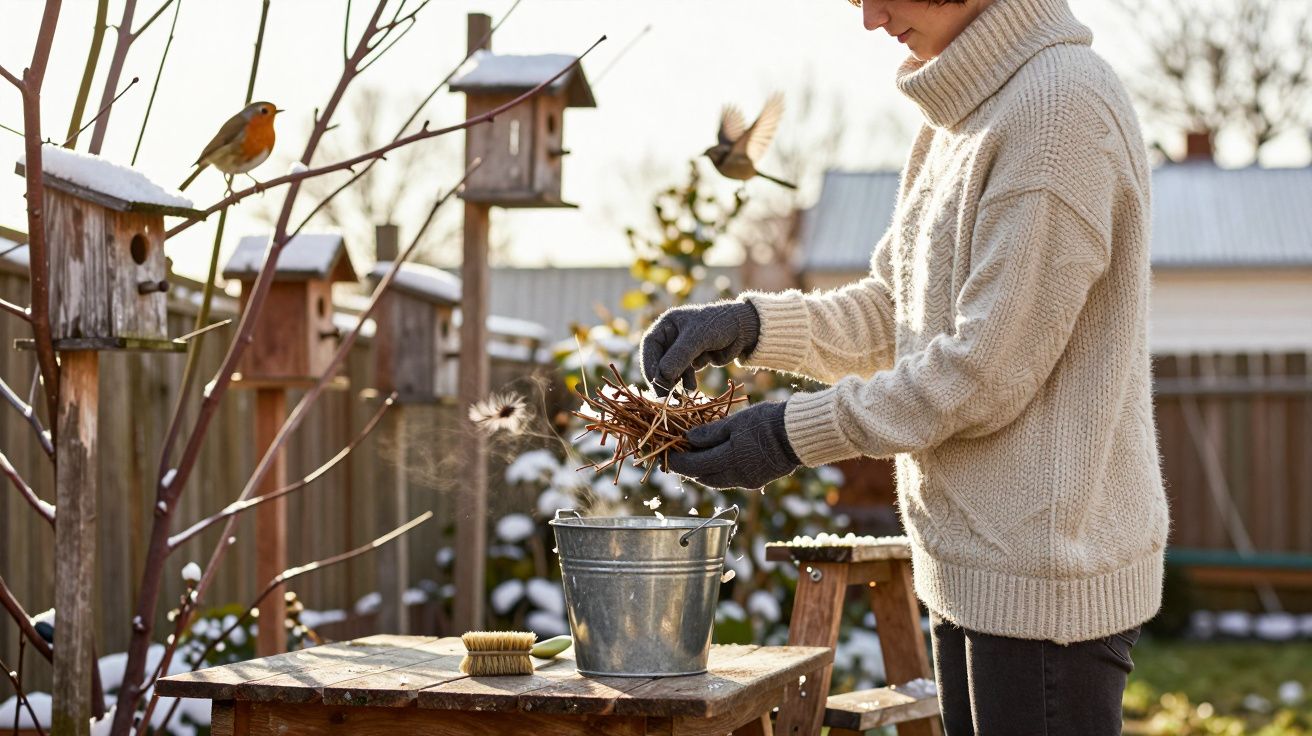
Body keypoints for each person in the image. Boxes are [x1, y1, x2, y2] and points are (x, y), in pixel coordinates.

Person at [640, 0, 1168, 733]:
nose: (869, 17)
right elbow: (900, 312)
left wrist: (791, 435)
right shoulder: (958, 111)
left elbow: (982, 372)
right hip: (972, 568)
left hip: (1044, 583)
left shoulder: (1058, 112)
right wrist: (749, 326)